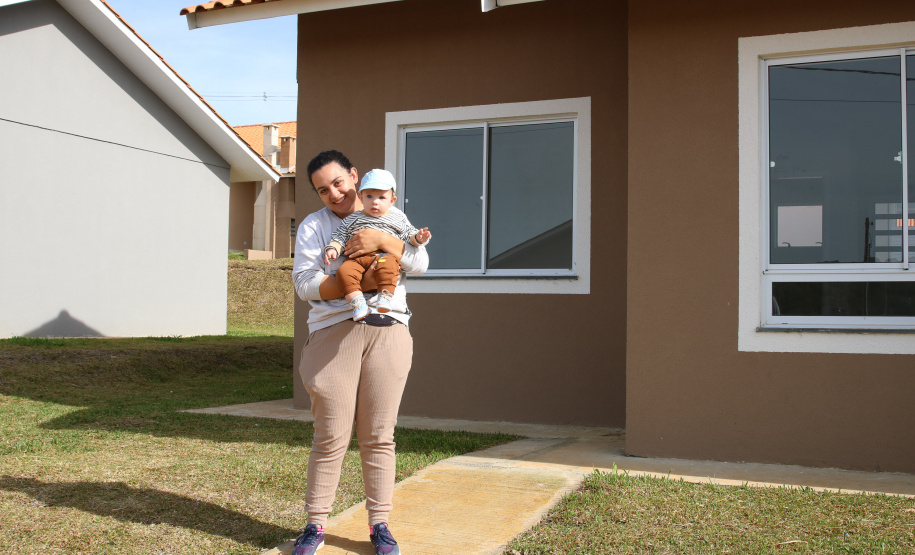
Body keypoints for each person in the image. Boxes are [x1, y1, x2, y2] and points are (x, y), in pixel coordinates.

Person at [290, 150, 428, 555]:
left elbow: (420, 262)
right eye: (322, 190)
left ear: (354, 176)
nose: (333, 193)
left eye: (338, 182)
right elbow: (304, 283)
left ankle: (380, 525)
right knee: (330, 435)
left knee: (379, 435)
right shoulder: (316, 227)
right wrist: (354, 281)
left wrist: (384, 240)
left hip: (389, 330)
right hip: (334, 331)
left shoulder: (390, 213)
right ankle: (315, 525)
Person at [324, 168, 431, 321]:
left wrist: (419, 238)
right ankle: (357, 302)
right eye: (369, 196)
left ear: (392, 201)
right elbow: (340, 235)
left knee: (389, 266)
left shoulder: (396, 218)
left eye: (382, 197)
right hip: (356, 259)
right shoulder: (353, 218)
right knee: (343, 272)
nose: (375, 202)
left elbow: (409, 236)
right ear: (360, 197)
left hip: (383, 256)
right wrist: (333, 248)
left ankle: (385, 297)